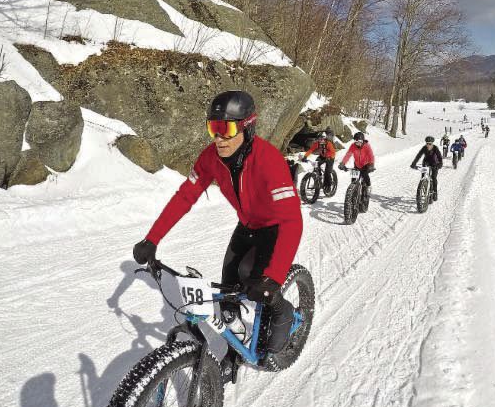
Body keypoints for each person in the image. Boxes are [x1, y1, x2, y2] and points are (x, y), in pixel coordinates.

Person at [131, 91, 302, 356]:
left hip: (274, 228)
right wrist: (152, 239)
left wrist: (273, 278)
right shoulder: (211, 158)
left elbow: (292, 220)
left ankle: (283, 309)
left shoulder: (269, 161)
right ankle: (236, 338)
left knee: (257, 283)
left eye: (226, 128)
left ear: (246, 127)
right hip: (246, 227)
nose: (219, 138)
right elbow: (185, 196)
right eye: (213, 128)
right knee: (228, 290)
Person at [339, 131, 375, 199]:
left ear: (362, 141)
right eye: (356, 142)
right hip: (357, 165)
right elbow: (348, 154)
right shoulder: (353, 146)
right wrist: (343, 163)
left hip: (366, 165)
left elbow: (371, 156)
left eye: (360, 141)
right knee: (353, 180)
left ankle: (368, 186)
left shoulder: (367, 146)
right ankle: (353, 193)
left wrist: (371, 164)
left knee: (365, 174)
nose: (358, 143)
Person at [410, 136, 443, 201]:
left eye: (430, 144)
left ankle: (435, 192)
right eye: (427, 143)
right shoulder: (424, 148)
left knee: (433, 178)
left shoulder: (435, 148)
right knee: (423, 176)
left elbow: (439, 157)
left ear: (432, 144)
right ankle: (425, 189)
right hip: (426, 163)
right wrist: (414, 163)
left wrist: (440, 164)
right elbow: (418, 155)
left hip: (434, 164)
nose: (428, 145)